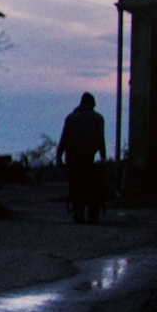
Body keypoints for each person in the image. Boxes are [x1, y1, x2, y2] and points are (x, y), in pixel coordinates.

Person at [57, 92, 108, 223]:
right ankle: (92, 214)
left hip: (72, 158)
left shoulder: (70, 118)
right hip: (88, 158)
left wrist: (59, 157)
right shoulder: (97, 118)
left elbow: (63, 138)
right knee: (92, 187)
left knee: (76, 186)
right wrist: (103, 158)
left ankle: (78, 211)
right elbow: (100, 139)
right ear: (92, 104)